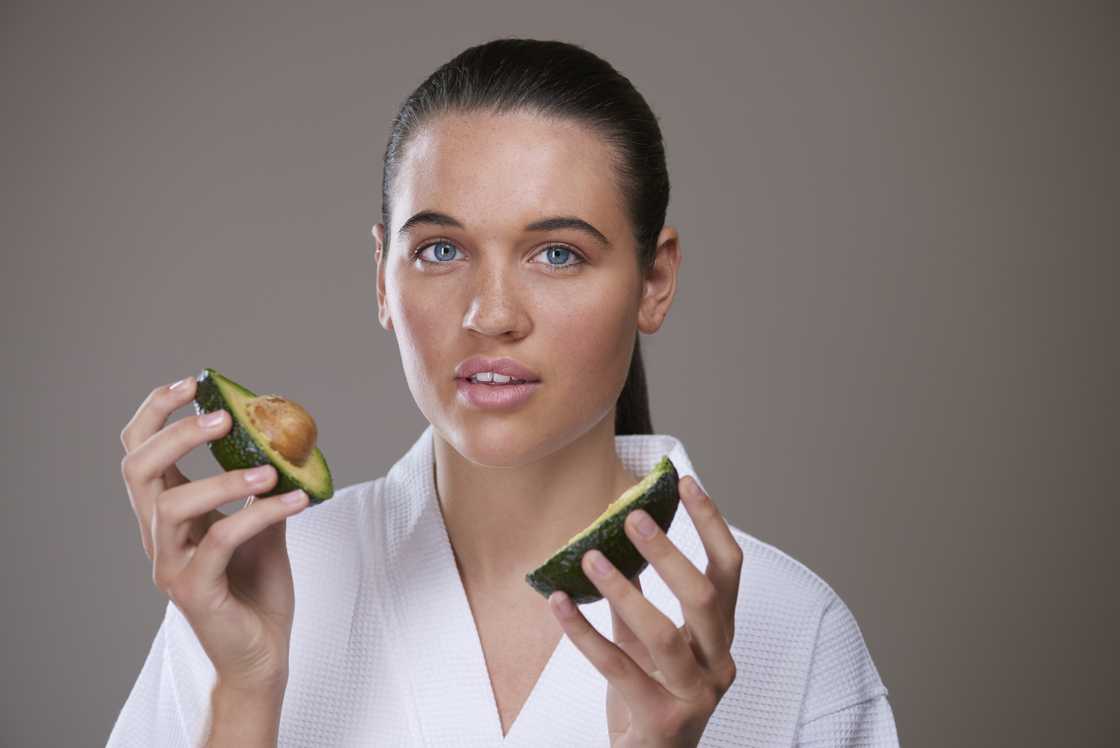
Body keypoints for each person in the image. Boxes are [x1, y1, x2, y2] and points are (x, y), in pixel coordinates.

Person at [108, 38, 899, 747]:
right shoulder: (252, 587)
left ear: (654, 281)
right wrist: (245, 690)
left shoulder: (793, 631)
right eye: (440, 250)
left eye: (557, 255)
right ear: (382, 279)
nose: (490, 315)